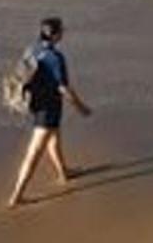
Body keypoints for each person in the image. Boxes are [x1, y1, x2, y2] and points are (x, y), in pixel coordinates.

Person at [7, 16, 92, 208]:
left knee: (54, 140)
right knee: (34, 152)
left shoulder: (32, 49)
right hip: (48, 109)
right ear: (55, 35)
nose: (64, 32)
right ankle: (17, 196)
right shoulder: (56, 58)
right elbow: (64, 88)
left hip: (37, 104)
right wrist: (80, 107)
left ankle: (64, 173)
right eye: (62, 30)